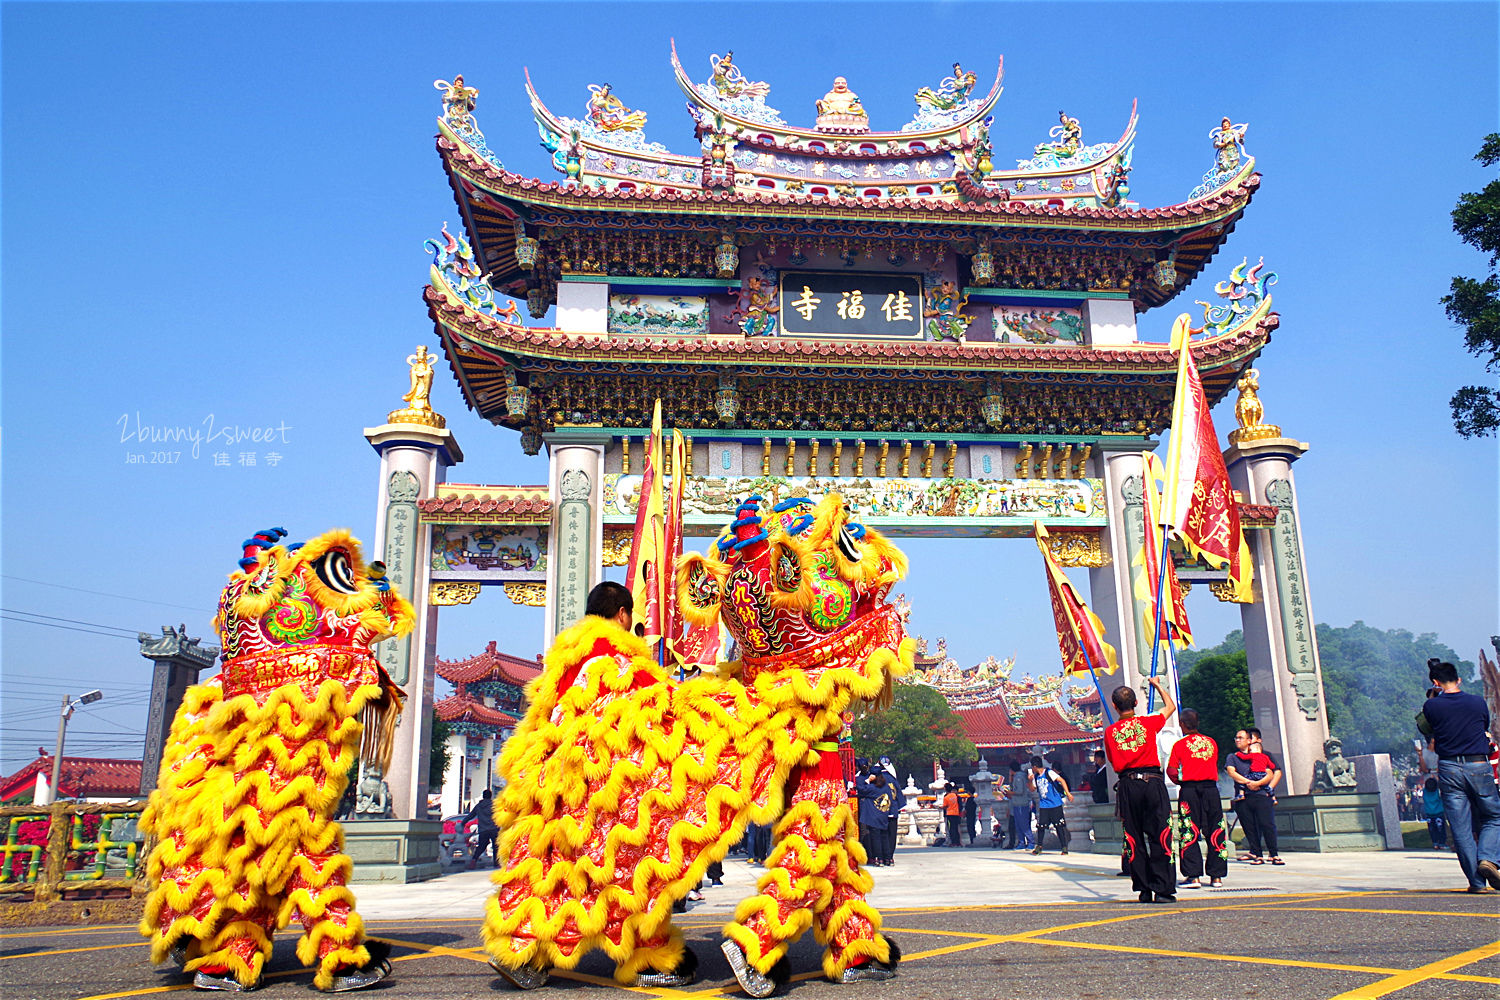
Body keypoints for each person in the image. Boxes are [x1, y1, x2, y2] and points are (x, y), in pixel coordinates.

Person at [1421, 658, 1500, 892]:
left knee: (1461, 827)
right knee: (1494, 816)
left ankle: (1476, 883)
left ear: (1435, 682)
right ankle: (1487, 858)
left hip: (1449, 768)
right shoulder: (1477, 702)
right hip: (1478, 765)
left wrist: (1435, 696)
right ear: (1459, 679)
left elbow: (1429, 727)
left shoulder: (1431, 706)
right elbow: (1482, 726)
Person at [1102, 677, 1177, 903]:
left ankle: (1143, 888)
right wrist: (1156, 685)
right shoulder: (1148, 722)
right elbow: (1170, 707)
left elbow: (1114, 763)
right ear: (1135, 703)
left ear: (1114, 707)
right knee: (1160, 833)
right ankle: (1163, 889)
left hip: (1127, 785)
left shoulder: (1110, 732)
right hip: (1152, 782)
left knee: (1133, 836)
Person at [1167, 710, 1227, 888]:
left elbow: (1171, 770)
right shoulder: (1211, 743)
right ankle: (1216, 876)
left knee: (1189, 831)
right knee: (1216, 830)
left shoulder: (1179, 745)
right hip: (1211, 790)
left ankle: (1193, 876)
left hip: (1190, 790)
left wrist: (1181, 781)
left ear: (1182, 724)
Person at [1226, 729, 1283, 865]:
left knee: (1267, 824)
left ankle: (1273, 853)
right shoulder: (1233, 757)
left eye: (1241, 737)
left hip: (1261, 795)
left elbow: (1270, 773)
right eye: (1236, 738)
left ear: (1249, 741)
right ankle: (1257, 854)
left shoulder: (1263, 754)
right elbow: (1231, 772)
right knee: (1249, 827)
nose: (1237, 740)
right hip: (1243, 797)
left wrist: (1258, 783)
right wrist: (1248, 782)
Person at [1029, 756, 1073, 855]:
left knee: (1059, 826)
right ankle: (1039, 846)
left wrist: (1068, 793)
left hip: (1055, 803)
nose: (1032, 769)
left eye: (1032, 767)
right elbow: (1032, 789)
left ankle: (1064, 847)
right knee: (1041, 826)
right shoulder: (1036, 777)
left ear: (1035, 766)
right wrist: (1030, 780)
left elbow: (1061, 780)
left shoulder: (1049, 773)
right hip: (1044, 805)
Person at [857, 770, 893, 867]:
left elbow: (861, 789)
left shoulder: (872, 788)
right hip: (884, 814)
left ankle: (879, 858)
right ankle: (888, 858)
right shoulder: (887, 788)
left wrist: (867, 780)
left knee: (876, 838)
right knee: (885, 837)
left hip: (873, 816)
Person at [466, 788, 500, 869]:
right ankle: (496, 863)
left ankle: (474, 860)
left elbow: (471, 815)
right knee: (496, 846)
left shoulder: (478, 806)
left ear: (483, 796)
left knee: (482, 846)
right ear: (491, 796)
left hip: (483, 829)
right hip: (493, 828)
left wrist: (463, 823)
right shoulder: (494, 805)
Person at [1007, 761, 1033, 850]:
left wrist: (1010, 792)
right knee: (1018, 824)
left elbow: (1020, 791)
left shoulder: (1018, 777)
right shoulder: (1020, 776)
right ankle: (1021, 842)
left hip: (1021, 803)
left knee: (1023, 824)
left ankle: (1030, 841)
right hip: (1017, 803)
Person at [1422, 777, 1448, 850]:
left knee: (1432, 829)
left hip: (1429, 813)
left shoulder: (1425, 791)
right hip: (1439, 813)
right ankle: (1442, 844)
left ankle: (1435, 843)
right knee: (1441, 829)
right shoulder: (1437, 791)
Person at [942, 783, 963, 847]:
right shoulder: (955, 796)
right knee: (956, 828)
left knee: (951, 829)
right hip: (956, 813)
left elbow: (945, 806)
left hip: (949, 814)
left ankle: (953, 842)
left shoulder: (946, 797)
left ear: (945, 789)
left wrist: (940, 807)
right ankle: (958, 842)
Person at [962, 780, 979, 847]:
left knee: (970, 828)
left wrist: (964, 813)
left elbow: (967, 808)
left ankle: (972, 840)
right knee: (972, 827)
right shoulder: (974, 799)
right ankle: (973, 840)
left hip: (969, 815)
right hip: (973, 814)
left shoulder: (969, 799)